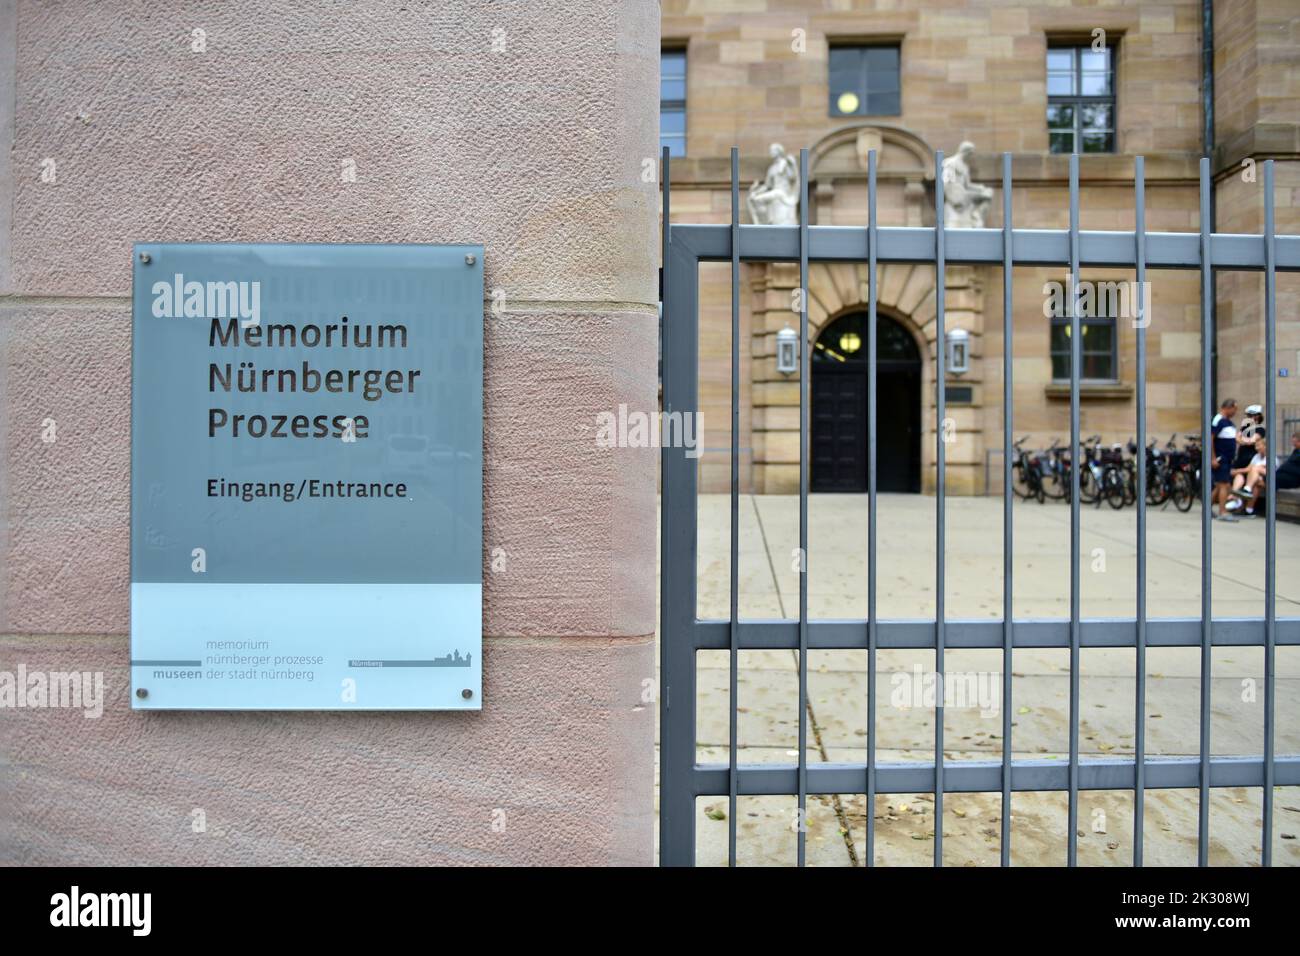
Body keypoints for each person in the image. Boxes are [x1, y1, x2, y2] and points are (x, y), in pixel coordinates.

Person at [1210, 398, 1239, 521]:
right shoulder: (1218, 420)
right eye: (1234, 409)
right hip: (1221, 458)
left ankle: (1207, 508)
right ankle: (1223, 511)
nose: (1235, 412)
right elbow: (1210, 438)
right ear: (1228, 407)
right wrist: (1212, 458)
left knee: (1219, 485)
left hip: (1228, 458)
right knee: (1224, 485)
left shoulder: (1229, 423)